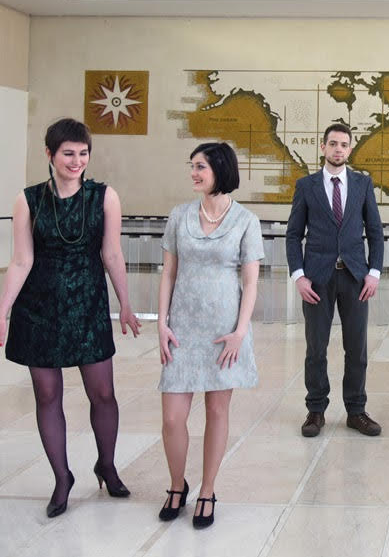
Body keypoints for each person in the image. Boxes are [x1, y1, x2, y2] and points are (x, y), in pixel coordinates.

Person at [0, 117, 141, 518]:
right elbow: (21, 260)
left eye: (83, 153)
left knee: (102, 393)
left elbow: (112, 254)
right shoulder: (29, 200)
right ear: (49, 154)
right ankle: (62, 477)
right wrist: (2, 314)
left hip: (88, 305)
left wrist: (125, 303)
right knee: (47, 395)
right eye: (68, 153)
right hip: (39, 308)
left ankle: (106, 465)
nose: (76, 161)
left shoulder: (104, 197)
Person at [156, 142, 264, 529]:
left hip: (224, 331)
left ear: (220, 169)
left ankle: (207, 489)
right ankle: (176, 484)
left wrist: (240, 332)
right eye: (193, 166)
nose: (194, 173)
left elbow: (250, 283)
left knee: (217, 411)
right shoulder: (179, 216)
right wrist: (162, 322)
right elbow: (168, 273)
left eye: (201, 166)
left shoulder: (246, 220)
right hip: (182, 330)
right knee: (173, 418)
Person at [285, 123, 384, 438]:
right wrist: (299, 276)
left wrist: (374, 272)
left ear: (350, 149)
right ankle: (315, 410)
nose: (338, 149)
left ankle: (356, 411)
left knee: (357, 348)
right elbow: (293, 235)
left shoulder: (362, 184)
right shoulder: (306, 186)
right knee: (316, 348)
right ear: (323, 147)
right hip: (317, 280)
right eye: (333, 144)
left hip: (355, 278)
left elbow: (375, 232)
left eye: (343, 144)